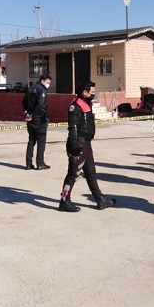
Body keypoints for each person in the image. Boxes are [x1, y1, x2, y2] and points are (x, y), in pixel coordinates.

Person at [58, 80, 116, 212]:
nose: (93, 94)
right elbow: (72, 126)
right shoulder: (76, 105)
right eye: (92, 92)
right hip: (79, 143)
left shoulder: (86, 103)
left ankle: (99, 199)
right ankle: (64, 201)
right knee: (73, 173)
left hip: (87, 144)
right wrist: (74, 144)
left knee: (91, 172)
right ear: (85, 92)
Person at [22, 74, 52, 170]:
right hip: (39, 119)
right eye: (47, 82)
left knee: (31, 140)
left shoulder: (30, 88)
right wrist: (36, 115)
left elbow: (24, 102)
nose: (48, 85)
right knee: (41, 140)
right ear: (42, 81)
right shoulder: (41, 89)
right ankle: (40, 163)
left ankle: (28, 163)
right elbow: (40, 104)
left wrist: (27, 112)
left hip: (30, 118)